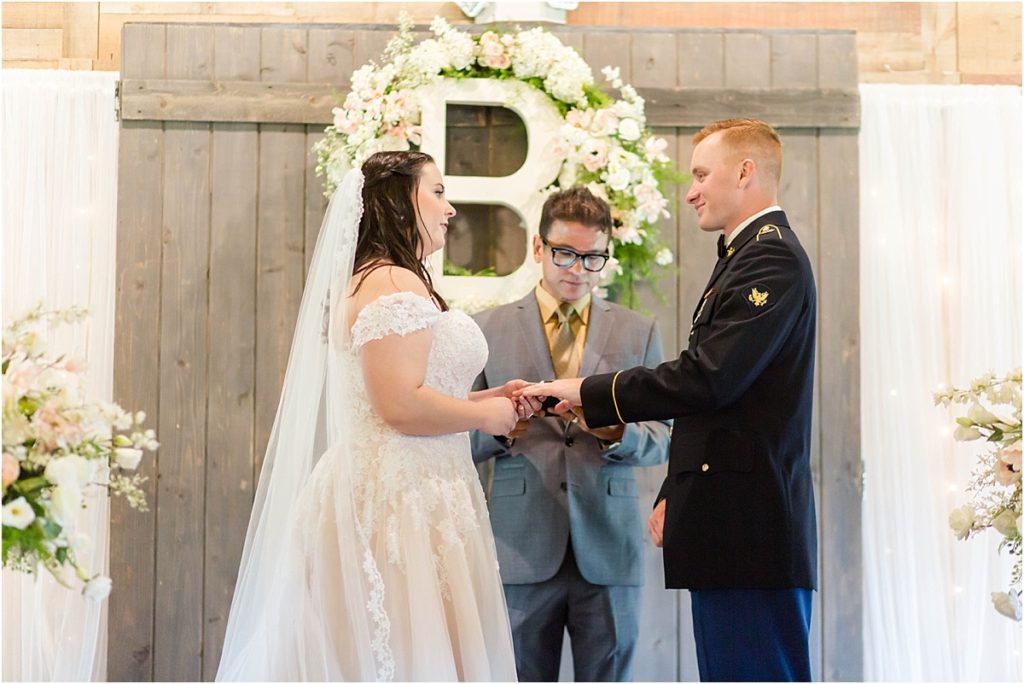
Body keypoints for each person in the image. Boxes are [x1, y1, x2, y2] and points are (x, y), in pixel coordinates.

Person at [217, 150, 537, 681]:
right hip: (397, 497)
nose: (450, 208)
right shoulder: (391, 283)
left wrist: (489, 397)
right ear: (398, 202)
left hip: (425, 483)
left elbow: (418, 391)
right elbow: (399, 406)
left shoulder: (395, 280)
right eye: (437, 192)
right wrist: (489, 419)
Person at [519, 119, 818, 682]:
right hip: (728, 525)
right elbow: (721, 405)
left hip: (749, 532)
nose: (691, 190)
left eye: (702, 173)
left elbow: (708, 379)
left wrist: (585, 390)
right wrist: (678, 489)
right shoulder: (743, 255)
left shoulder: (769, 259)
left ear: (745, 171)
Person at [469, 187, 671, 682]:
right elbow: (455, 436)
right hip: (520, 544)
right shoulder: (485, 330)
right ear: (538, 249)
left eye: (592, 257)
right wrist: (503, 426)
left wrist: (611, 430)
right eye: (565, 254)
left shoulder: (638, 331)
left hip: (609, 545)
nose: (578, 269)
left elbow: (664, 437)